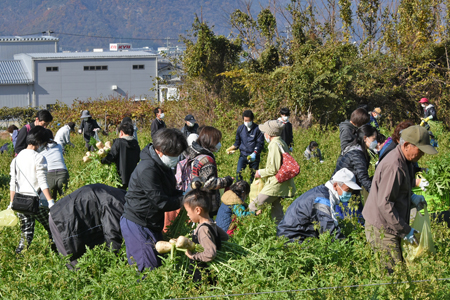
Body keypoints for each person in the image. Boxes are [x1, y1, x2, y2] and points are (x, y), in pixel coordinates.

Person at [362, 126, 437, 273]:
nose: (422, 155)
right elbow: (384, 204)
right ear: (407, 145)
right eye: (420, 150)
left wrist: (411, 197)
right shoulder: (394, 166)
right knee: (393, 276)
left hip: (389, 224)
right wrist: (405, 230)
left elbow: (396, 191)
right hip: (382, 228)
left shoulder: (405, 161)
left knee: (399, 271)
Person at [120, 128, 187, 272]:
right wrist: (184, 200)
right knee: (148, 268)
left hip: (152, 222)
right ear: (160, 151)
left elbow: (169, 193)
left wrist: (185, 194)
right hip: (137, 222)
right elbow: (161, 202)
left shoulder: (163, 166)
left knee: (159, 263)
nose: (176, 158)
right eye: (173, 154)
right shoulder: (148, 169)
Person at [49, 184, 127, 269]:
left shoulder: (119, 196)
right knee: (74, 265)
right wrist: (117, 262)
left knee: (81, 262)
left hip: (66, 213)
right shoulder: (117, 203)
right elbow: (112, 233)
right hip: (61, 220)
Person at [277, 168, 361, 243]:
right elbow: (328, 229)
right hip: (292, 238)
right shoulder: (322, 200)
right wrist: (345, 245)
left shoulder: (323, 192)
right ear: (335, 185)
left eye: (351, 191)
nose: (349, 194)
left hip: (296, 233)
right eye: (348, 190)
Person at [8, 126, 55, 254]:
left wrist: (11, 203)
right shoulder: (39, 158)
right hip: (36, 203)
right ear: (40, 142)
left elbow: (13, 183)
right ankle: (56, 252)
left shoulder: (16, 159)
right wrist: (50, 201)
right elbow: (42, 182)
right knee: (52, 228)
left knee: (26, 234)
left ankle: (19, 257)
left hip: (20, 203)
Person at [250, 120, 297, 223]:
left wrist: (260, 173)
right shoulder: (281, 142)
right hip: (282, 184)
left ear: (269, 134)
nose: (264, 135)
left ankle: (247, 231)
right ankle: (281, 236)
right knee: (277, 214)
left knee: (253, 206)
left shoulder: (274, 144)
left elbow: (273, 169)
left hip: (275, 184)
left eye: (264, 132)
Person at [183, 178, 229, 283]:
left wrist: (193, 256)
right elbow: (225, 237)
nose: (187, 214)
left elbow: (210, 253)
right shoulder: (212, 224)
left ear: (198, 210)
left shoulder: (203, 229)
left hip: (202, 274)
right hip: (210, 272)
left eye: (188, 212)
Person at [184, 126, 233, 216]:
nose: (219, 144)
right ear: (211, 141)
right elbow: (210, 183)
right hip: (207, 202)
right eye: (217, 141)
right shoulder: (207, 160)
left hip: (195, 199)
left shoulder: (195, 154)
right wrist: (227, 180)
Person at [333, 124, 377, 220]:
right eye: (374, 139)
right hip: (344, 189)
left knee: (353, 216)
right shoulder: (357, 154)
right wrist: (377, 195)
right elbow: (363, 178)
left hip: (348, 188)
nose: (375, 143)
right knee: (350, 218)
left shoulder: (356, 148)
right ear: (365, 138)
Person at [226, 110, 264, 181]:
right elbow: (237, 142)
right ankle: (239, 187)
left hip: (254, 156)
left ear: (252, 119)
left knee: (253, 175)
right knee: (238, 172)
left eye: (248, 120)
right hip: (243, 155)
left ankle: (252, 189)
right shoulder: (240, 129)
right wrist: (232, 148)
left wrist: (255, 153)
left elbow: (260, 143)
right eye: (245, 120)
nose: (246, 122)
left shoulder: (258, 129)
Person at [101, 122, 140, 190]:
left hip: (121, 177)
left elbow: (111, 156)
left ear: (121, 132)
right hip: (133, 177)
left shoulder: (119, 142)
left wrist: (102, 160)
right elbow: (138, 158)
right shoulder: (135, 144)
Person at [40, 131, 69, 200]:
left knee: (51, 200)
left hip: (50, 173)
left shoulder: (41, 149)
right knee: (66, 198)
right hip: (63, 172)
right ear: (52, 137)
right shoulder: (58, 146)